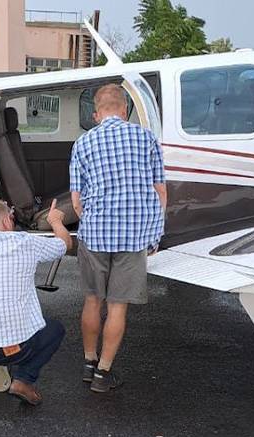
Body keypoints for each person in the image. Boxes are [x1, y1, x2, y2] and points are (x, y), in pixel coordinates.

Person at [69, 84, 167, 393]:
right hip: (134, 236)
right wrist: (154, 233)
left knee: (92, 300)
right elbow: (160, 191)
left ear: (96, 114)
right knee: (117, 307)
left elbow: (76, 199)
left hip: (95, 234)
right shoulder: (146, 138)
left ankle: (88, 362)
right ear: (125, 111)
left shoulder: (83, 143)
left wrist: (92, 223)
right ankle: (103, 374)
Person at [0, 197, 72, 405]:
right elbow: (64, 244)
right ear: (7, 221)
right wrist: (55, 222)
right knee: (55, 330)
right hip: (15, 348)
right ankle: (23, 380)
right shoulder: (23, 242)